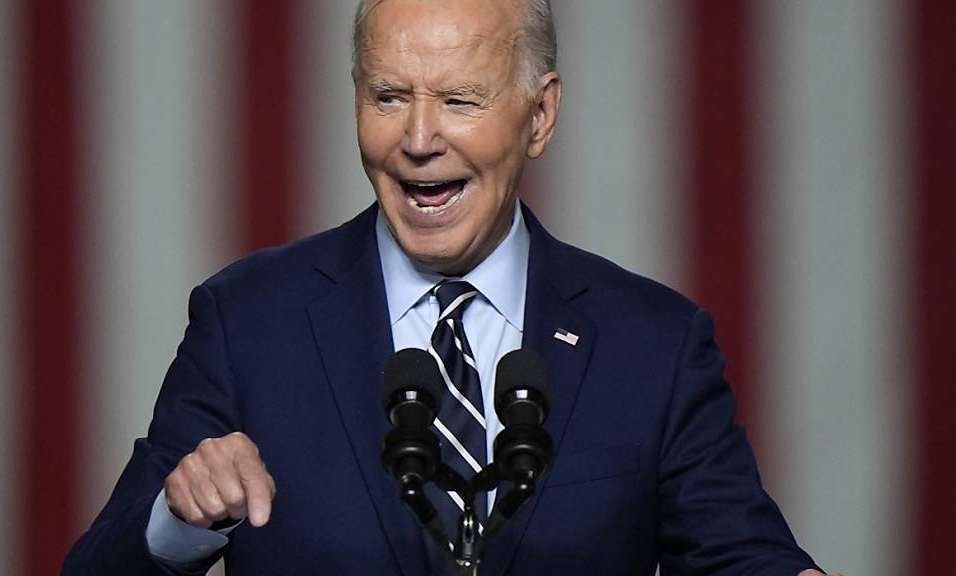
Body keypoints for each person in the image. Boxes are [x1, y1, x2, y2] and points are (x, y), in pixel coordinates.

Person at [64, 1, 839, 575]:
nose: (420, 139)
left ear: (540, 116)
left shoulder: (654, 346)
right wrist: (178, 518)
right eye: (389, 96)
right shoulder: (250, 323)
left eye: (460, 99)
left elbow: (749, 560)